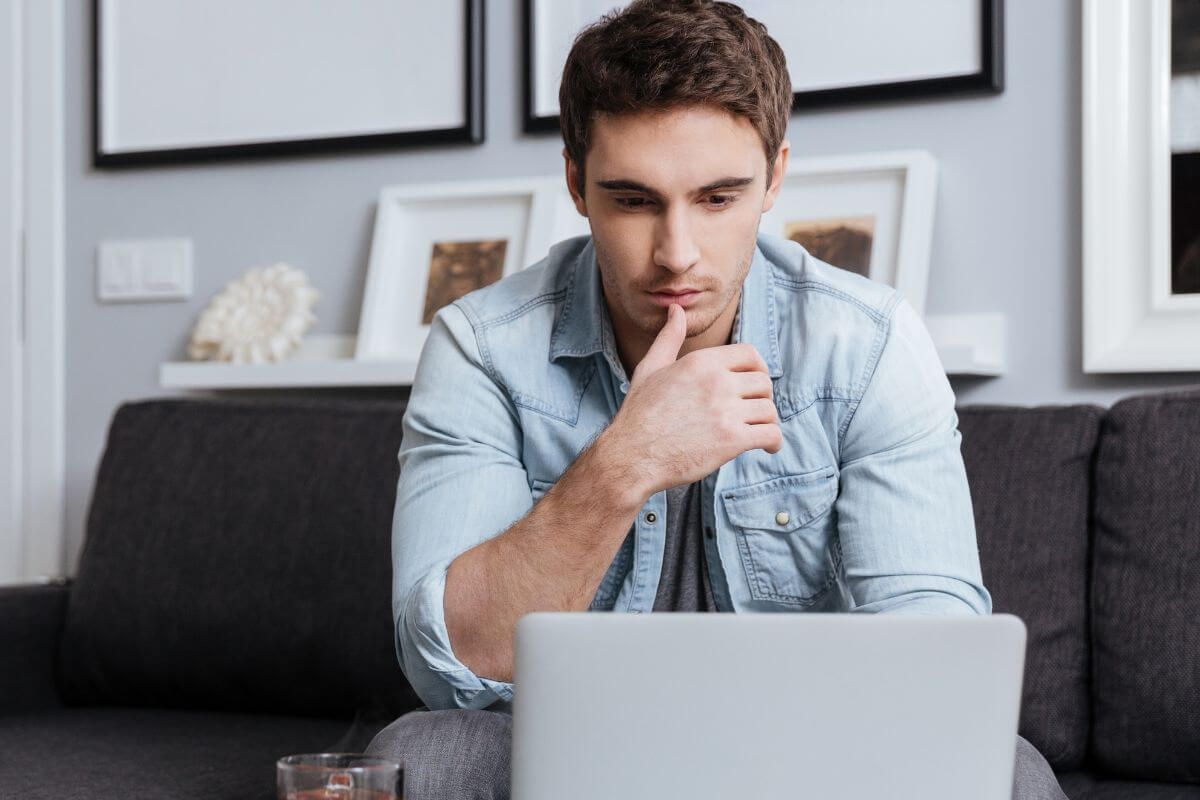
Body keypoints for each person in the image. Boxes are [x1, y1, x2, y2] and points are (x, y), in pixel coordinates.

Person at [366, 2, 1068, 798]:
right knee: (422, 755)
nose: (677, 254)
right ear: (575, 183)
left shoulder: (867, 344)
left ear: (775, 177)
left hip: (808, 756)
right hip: (576, 755)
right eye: (634, 201)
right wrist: (624, 462)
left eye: (717, 199)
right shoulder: (482, 347)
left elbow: (940, 667)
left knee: (1008, 771)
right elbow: (453, 668)